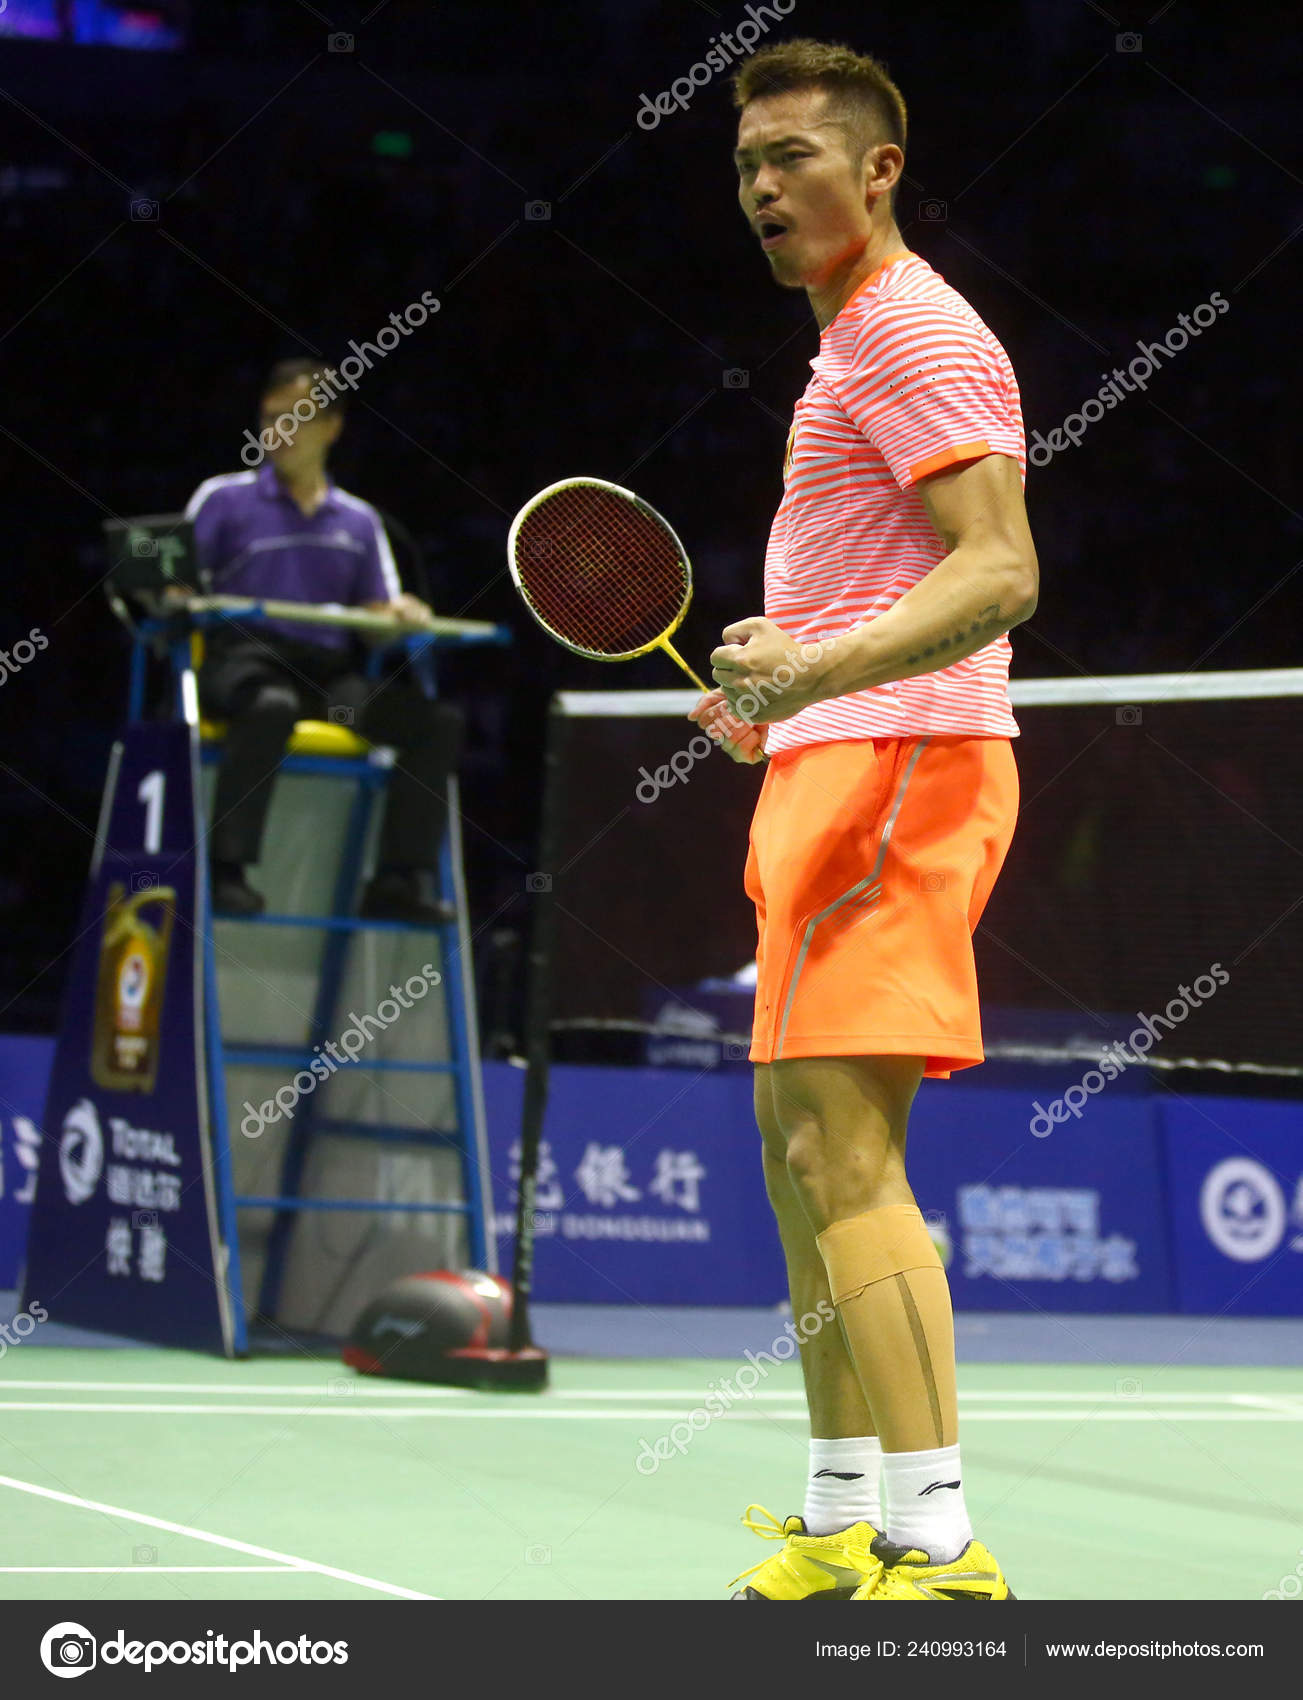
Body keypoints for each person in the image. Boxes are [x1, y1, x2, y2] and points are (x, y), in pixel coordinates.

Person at [689, 39, 1038, 1602]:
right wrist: (775, 678)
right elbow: (871, 581)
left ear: (876, 169)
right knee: (793, 1151)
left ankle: (940, 1539)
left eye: (796, 160)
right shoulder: (843, 349)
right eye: (749, 167)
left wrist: (817, 671)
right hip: (829, 758)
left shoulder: (908, 329)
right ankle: (840, 1513)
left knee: (848, 1155)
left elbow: (997, 569)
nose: (765, 190)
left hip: (904, 761)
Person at [185, 357, 461, 923]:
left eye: (297, 417)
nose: (278, 432)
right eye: (270, 418)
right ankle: (225, 872)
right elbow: (175, 582)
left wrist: (404, 611)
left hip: (325, 677)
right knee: (271, 705)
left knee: (435, 726)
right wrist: (169, 593)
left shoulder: (358, 522)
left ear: (332, 427)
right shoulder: (223, 500)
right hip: (244, 662)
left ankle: (396, 882)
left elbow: (380, 607)